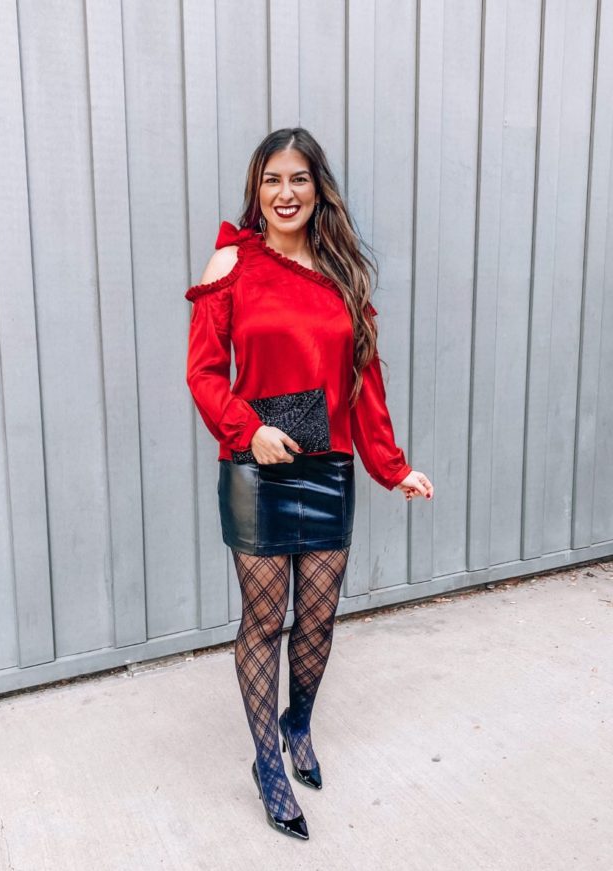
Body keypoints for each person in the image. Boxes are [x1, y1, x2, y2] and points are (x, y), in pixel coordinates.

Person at [185, 127, 433, 840]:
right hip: (256, 467)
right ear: (256, 190)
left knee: (317, 621)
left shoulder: (340, 272)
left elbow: (365, 383)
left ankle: (298, 722)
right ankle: (267, 762)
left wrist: (391, 464)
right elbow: (203, 371)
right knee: (264, 621)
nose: (284, 193)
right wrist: (245, 429)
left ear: (317, 187)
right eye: (271, 180)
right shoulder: (231, 261)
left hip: (328, 466)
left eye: (298, 178)